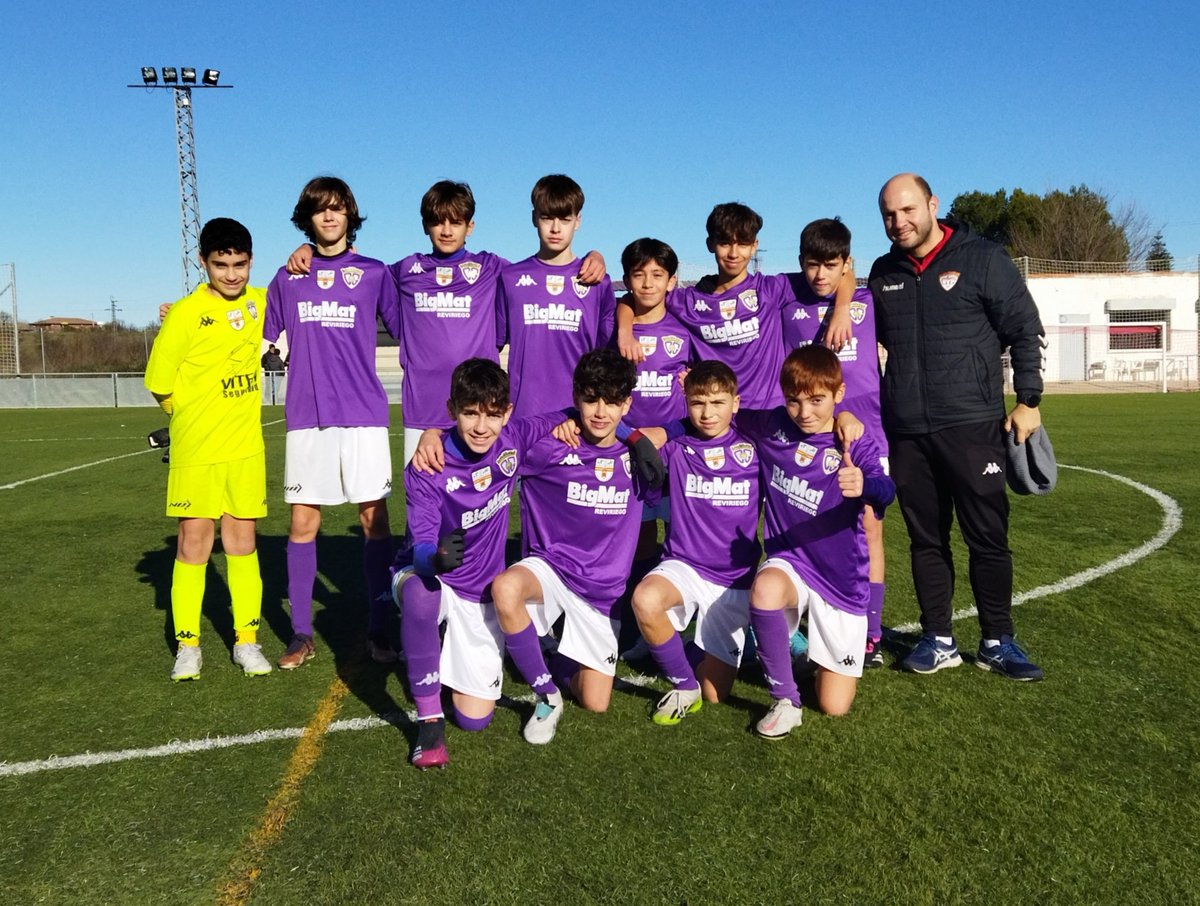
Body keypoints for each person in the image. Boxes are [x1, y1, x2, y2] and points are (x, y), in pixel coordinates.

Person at [284, 179, 606, 466]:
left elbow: (545, 269)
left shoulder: (494, 269)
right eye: (438, 222)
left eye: (456, 222)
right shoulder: (404, 271)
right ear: (426, 226)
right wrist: (310, 248)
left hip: (479, 412)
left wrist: (594, 255)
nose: (447, 230)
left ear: (471, 226)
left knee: (478, 504)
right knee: (424, 506)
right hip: (422, 412)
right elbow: (355, 269)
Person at [869, 173, 1046, 681]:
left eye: (907, 210)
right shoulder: (884, 273)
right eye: (888, 214)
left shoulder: (983, 258)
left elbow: (1023, 329)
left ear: (932, 204)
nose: (898, 222)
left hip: (971, 424)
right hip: (907, 430)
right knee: (926, 539)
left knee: (987, 537)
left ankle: (997, 640)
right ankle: (938, 638)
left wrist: (1029, 400)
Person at [393, 358, 572, 769]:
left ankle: (436, 649)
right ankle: (429, 724)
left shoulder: (513, 439)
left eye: (492, 414)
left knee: (475, 720)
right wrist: (433, 558)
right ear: (452, 408)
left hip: (479, 592)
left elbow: (572, 413)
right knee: (421, 597)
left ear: (507, 413)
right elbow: (421, 543)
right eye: (470, 413)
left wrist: (632, 436)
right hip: (431, 578)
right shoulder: (428, 464)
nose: (480, 426)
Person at [264, 176, 402, 669]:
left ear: (350, 216)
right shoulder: (287, 278)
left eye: (338, 209)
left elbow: (413, 326)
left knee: (374, 519)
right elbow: (259, 341)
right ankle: (301, 634)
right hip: (307, 416)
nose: (329, 217)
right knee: (303, 522)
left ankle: (381, 628)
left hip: (363, 414)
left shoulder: (374, 273)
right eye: (320, 210)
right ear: (308, 217)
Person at [490, 349, 653, 744]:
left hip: (601, 593)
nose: (600, 412)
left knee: (596, 701)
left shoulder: (641, 457)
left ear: (627, 404)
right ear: (576, 396)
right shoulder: (549, 445)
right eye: (591, 399)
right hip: (550, 570)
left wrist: (639, 436)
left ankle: (549, 652)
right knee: (506, 587)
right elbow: (493, 434)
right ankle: (546, 696)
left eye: (612, 402)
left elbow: (703, 429)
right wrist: (431, 434)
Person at [738, 346, 894, 736]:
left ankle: (813, 657)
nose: (804, 412)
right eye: (794, 401)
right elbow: (721, 415)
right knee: (765, 589)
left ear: (839, 395)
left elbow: (886, 488)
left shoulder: (852, 444)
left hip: (840, 580)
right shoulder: (772, 425)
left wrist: (866, 485)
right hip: (790, 562)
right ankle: (785, 699)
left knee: (833, 706)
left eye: (817, 400)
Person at [144, 217, 272, 681]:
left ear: (251, 260)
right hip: (196, 452)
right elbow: (158, 383)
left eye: (240, 264)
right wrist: (188, 416)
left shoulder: (263, 302)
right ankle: (188, 646)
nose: (232, 274)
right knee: (193, 545)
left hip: (245, 451)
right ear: (203, 262)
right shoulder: (183, 314)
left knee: (242, 544)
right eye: (221, 265)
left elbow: (302, 299)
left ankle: (247, 641)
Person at [615, 202, 856, 409]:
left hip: (769, 411)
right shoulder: (688, 301)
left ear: (754, 246)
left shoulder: (771, 289)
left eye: (742, 243)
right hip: (717, 416)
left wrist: (842, 310)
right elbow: (633, 297)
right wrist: (625, 333)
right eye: (724, 243)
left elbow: (843, 273)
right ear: (710, 244)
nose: (733, 252)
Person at [782, 218, 889, 668]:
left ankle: (871, 630)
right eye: (812, 265)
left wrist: (843, 305)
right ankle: (793, 623)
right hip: (805, 429)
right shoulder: (786, 299)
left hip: (866, 429)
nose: (820, 275)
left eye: (831, 265)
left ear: (848, 264)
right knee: (802, 517)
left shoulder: (869, 301)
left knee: (869, 524)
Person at [630, 361, 760, 725]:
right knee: (645, 598)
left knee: (716, 695)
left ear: (736, 403)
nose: (707, 413)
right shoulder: (676, 445)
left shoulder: (756, 448)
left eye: (718, 403)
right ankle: (684, 685)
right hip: (683, 565)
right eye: (698, 402)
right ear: (685, 403)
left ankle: (693, 648)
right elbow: (618, 433)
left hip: (734, 580)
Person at [497, 174, 617, 420]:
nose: (555, 228)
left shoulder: (596, 281)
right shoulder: (510, 278)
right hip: (523, 417)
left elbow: (605, 354)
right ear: (533, 218)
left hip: (579, 418)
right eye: (546, 217)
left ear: (578, 221)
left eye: (564, 219)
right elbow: (491, 344)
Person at [618, 237, 694, 568]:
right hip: (628, 447)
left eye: (657, 274)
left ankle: (675, 610)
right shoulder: (614, 328)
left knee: (682, 538)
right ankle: (636, 609)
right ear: (626, 280)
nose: (648, 283)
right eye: (638, 274)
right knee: (640, 538)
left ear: (671, 281)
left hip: (676, 448)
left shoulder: (687, 328)